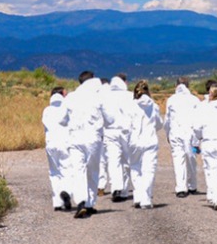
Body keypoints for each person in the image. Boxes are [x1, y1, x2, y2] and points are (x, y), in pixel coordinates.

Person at [58, 71, 114, 219]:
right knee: (92, 171)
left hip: (75, 138)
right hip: (92, 138)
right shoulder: (98, 96)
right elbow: (110, 119)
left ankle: (81, 202)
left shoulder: (71, 97)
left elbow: (61, 120)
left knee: (78, 171)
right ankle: (89, 203)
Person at [128, 80, 165, 209]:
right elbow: (159, 124)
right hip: (149, 140)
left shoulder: (131, 105)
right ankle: (145, 198)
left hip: (134, 142)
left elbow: (126, 125)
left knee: (135, 168)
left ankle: (137, 196)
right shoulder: (153, 106)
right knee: (149, 170)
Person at [102, 74, 137, 202]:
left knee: (113, 160)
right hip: (127, 131)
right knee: (127, 161)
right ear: (124, 82)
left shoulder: (105, 97)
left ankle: (116, 187)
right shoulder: (129, 96)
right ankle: (124, 190)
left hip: (110, 131)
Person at [164, 78, 201, 197]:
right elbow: (199, 119)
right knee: (191, 159)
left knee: (178, 160)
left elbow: (167, 119)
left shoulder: (171, 100)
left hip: (175, 132)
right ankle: (192, 185)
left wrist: (168, 133)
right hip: (190, 133)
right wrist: (199, 136)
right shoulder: (194, 100)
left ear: (176, 85)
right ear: (188, 85)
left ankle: (181, 188)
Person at [42, 85, 73, 211]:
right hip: (64, 143)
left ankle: (57, 203)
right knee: (67, 170)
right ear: (61, 95)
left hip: (50, 144)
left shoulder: (46, 110)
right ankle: (66, 192)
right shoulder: (66, 109)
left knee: (54, 172)